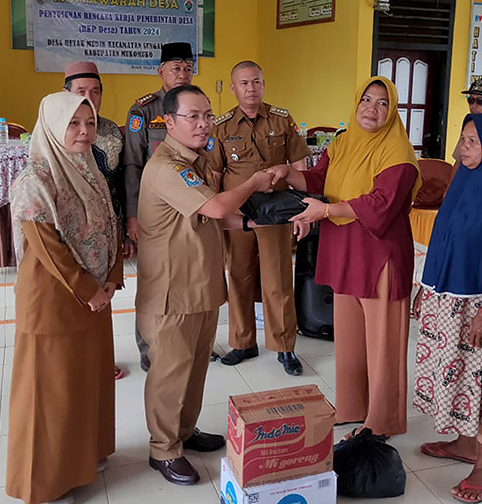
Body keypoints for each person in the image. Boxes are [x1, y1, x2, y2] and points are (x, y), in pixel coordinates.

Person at [267, 76, 421, 437]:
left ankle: (381, 420)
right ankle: (352, 406)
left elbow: (380, 205)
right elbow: (319, 180)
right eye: (366, 100)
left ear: (392, 110)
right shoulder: (342, 144)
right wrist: (287, 173)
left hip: (380, 255)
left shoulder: (399, 153)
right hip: (347, 251)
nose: (372, 108)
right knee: (349, 338)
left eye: (383, 103)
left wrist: (325, 212)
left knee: (383, 343)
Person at [136, 84, 274, 485]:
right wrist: (253, 183)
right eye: (192, 116)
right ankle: (162, 450)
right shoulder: (167, 168)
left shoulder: (192, 163)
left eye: (207, 115)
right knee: (170, 374)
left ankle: (183, 432)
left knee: (195, 369)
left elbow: (213, 217)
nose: (203, 124)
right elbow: (215, 206)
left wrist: (262, 220)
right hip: (171, 293)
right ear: (170, 122)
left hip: (199, 286)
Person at [6, 92, 123, 504]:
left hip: (94, 296)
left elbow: (110, 225)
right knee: (48, 391)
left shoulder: (88, 168)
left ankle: (82, 458)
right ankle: (45, 482)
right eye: (73, 123)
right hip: (54, 298)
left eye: (89, 123)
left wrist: (111, 278)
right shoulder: (34, 179)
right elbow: (48, 246)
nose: (84, 132)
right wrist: (90, 289)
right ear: (53, 126)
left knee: (84, 382)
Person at [414, 113, 482, 503]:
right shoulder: (462, 180)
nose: (464, 148)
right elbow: (442, 236)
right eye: (462, 140)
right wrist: (424, 289)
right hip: (448, 297)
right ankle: (464, 444)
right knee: (458, 375)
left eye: (474, 141)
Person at [206, 60, 310, 375]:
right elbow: (213, 172)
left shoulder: (281, 119)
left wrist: (301, 209)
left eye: (256, 82)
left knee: (278, 280)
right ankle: (242, 342)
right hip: (237, 214)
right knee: (239, 276)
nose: (251, 89)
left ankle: (284, 346)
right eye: (244, 83)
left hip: (274, 213)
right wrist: (216, 211)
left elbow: (300, 162)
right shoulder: (220, 126)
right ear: (233, 88)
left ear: (263, 85)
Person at [123, 42, 195, 370]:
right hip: (155, 209)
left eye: (187, 68)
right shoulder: (144, 111)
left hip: (192, 206)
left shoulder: (197, 103)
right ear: (160, 72)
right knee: (154, 279)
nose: (182, 74)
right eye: (175, 68)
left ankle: (189, 341)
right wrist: (134, 215)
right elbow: (133, 165)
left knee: (190, 277)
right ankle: (148, 345)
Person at [63, 60, 130, 380]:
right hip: (69, 231)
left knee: (103, 296)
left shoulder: (111, 132)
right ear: (66, 94)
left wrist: (124, 233)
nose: (89, 96)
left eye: (95, 91)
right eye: (81, 91)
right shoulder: (55, 131)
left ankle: (102, 358)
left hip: (105, 228)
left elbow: (119, 183)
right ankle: (75, 364)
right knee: (73, 296)